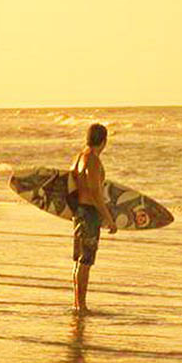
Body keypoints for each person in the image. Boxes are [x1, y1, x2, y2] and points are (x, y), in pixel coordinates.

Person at [68, 123, 117, 312]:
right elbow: (96, 192)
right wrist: (108, 218)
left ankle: (77, 303)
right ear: (103, 141)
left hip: (79, 212)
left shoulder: (79, 157)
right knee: (86, 262)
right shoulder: (94, 160)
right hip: (89, 213)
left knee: (79, 261)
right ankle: (82, 306)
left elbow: (71, 186)